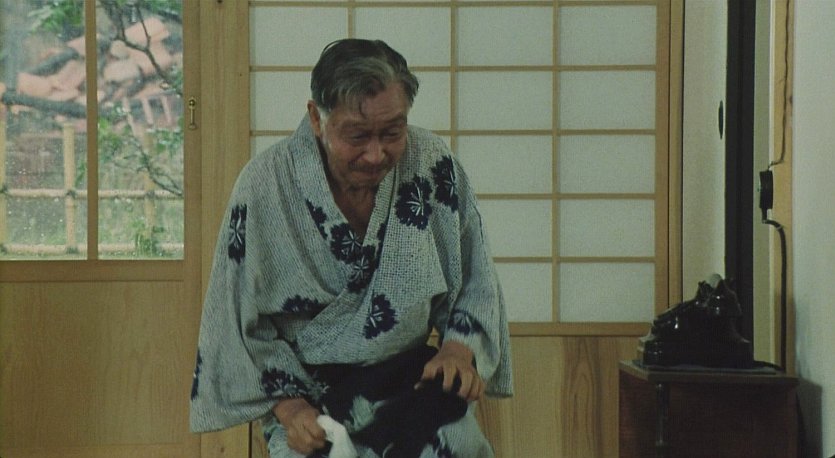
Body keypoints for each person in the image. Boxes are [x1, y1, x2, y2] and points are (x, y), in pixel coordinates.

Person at [190, 38, 513, 458]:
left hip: (412, 384)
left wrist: (456, 350)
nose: (376, 154)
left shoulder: (431, 163)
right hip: (311, 402)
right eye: (357, 136)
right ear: (316, 118)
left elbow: (474, 278)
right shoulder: (265, 185)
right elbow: (237, 320)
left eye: (392, 132)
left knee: (458, 446)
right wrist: (290, 410)